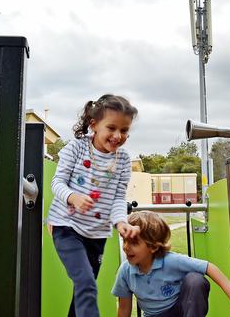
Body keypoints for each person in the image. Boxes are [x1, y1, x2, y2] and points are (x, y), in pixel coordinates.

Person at [48, 94, 141, 317]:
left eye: (125, 130)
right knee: (86, 283)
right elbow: (57, 182)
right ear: (94, 125)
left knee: (82, 290)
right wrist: (73, 197)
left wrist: (120, 222)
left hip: (96, 235)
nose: (118, 136)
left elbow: (118, 198)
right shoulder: (76, 148)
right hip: (66, 228)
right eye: (111, 128)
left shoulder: (123, 160)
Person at [112, 211, 230, 317]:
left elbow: (208, 267)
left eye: (134, 242)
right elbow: (124, 309)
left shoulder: (171, 261)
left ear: (153, 247)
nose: (126, 247)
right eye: (124, 241)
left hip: (180, 310)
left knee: (196, 280)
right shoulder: (125, 271)